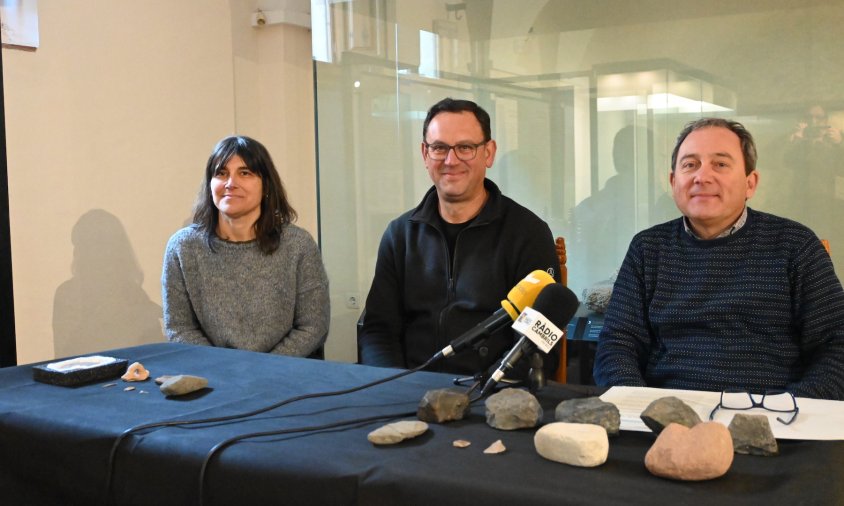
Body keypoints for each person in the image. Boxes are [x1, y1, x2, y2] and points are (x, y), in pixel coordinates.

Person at [593, 118, 844, 400]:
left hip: (775, 418)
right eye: (690, 165)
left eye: (720, 164)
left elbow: (836, 344)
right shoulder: (648, 248)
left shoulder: (795, 246)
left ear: (751, 183)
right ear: (674, 181)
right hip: (665, 416)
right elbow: (617, 344)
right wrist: (639, 406)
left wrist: (791, 408)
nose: (702, 177)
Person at [358, 98, 561, 378]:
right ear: (424, 154)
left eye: (465, 147)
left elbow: (537, 341)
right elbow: (377, 331)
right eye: (439, 148)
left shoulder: (528, 234)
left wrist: (483, 392)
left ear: (488, 153)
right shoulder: (400, 235)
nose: (451, 160)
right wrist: (393, 385)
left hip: (491, 398)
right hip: (408, 391)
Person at [162, 136, 330, 357]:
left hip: (285, 374)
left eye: (245, 173)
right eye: (221, 173)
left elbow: (312, 327)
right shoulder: (182, 247)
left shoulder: (298, 245)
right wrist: (226, 370)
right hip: (214, 377)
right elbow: (179, 328)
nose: (231, 183)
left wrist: (259, 371)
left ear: (266, 185)